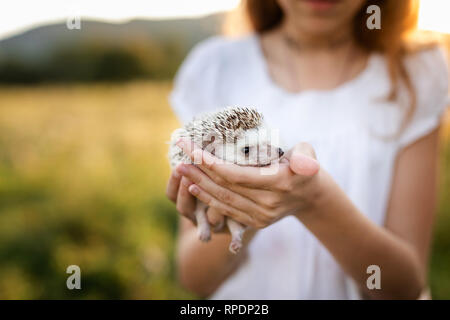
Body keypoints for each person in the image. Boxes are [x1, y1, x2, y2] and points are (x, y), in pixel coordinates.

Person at [166, 0, 449, 299]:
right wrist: (242, 209)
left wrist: (315, 201)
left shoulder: (416, 72)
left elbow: (403, 287)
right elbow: (196, 279)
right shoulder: (214, 69)